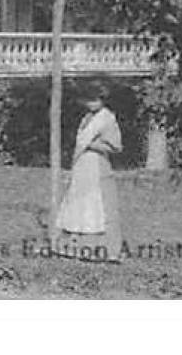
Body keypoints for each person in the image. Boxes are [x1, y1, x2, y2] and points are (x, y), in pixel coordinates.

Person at [56, 82, 123, 262]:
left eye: (96, 100)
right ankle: (74, 248)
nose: (92, 104)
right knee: (78, 204)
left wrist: (92, 145)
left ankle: (104, 250)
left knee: (98, 207)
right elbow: (79, 143)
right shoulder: (86, 118)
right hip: (81, 166)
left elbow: (116, 147)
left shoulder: (107, 118)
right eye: (89, 100)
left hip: (96, 165)